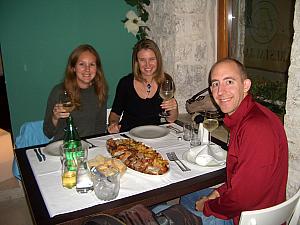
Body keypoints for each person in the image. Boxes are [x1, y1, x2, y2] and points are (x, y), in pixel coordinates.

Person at [180, 58, 288, 225]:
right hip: (252, 205)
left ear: (246, 85)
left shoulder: (256, 128)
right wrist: (217, 193)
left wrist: (209, 206)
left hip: (249, 219)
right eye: (215, 84)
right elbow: (242, 180)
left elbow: (242, 198)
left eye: (229, 82)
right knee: (187, 197)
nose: (221, 91)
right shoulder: (251, 115)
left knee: (164, 212)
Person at [107, 39, 178, 133]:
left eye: (152, 59)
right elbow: (115, 114)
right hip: (128, 136)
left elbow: (171, 120)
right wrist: (113, 124)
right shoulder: (125, 83)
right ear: (136, 62)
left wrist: (174, 107)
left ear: (158, 60)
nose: (147, 65)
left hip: (154, 135)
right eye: (142, 60)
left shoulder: (165, 81)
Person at [43, 44, 108, 141]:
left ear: (97, 68)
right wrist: (55, 117)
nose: (87, 69)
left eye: (92, 64)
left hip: (89, 148)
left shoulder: (100, 91)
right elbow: (48, 133)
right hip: (64, 147)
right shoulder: (59, 91)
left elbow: (100, 128)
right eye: (82, 64)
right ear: (73, 68)